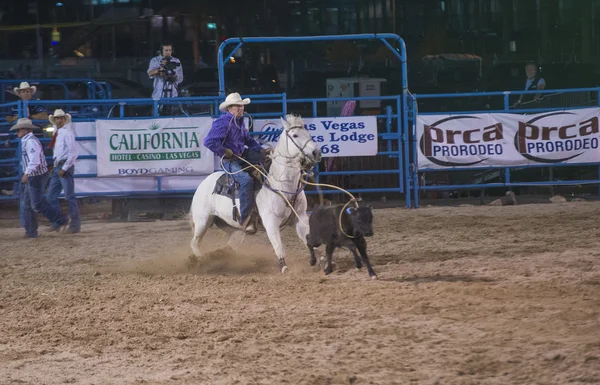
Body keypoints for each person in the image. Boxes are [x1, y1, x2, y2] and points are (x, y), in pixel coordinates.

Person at [203, 92, 267, 234]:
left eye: (242, 106)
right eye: (238, 106)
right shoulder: (222, 122)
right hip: (229, 160)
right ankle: (245, 219)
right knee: (246, 181)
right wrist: (225, 151)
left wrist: (261, 151)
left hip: (241, 155)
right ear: (229, 108)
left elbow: (248, 140)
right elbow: (208, 142)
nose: (241, 108)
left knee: (268, 163)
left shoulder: (240, 122)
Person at [11, 118, 67, 238]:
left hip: (36, 176)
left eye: (19, 130)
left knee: (36, 204)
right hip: (35, 175)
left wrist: (27, 173)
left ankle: (61, 220)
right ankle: (31, 231)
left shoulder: (30, 141)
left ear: (25, 130)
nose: (17, 133)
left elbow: (35, 160)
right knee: (28, 204)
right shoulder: (28, 140)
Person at [45, 109, 81, 234]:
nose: (59, 120)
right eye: (57, 118)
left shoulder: (67, 133)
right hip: (58, 166)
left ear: (64, 120)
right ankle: (60, 221)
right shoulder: (58, 132)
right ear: (55, 120)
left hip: (64, 166)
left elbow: (74, 153)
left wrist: (64, 168)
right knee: (51, 196)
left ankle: (74, 225)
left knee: (68, 196)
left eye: (61, 118)